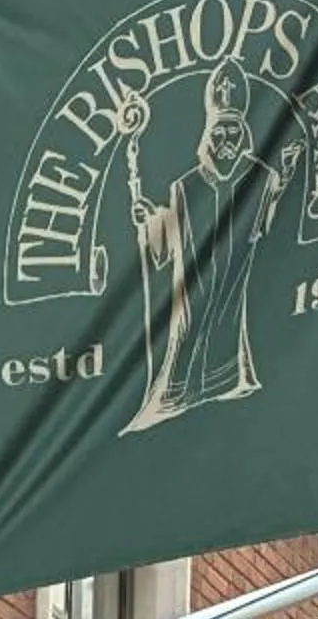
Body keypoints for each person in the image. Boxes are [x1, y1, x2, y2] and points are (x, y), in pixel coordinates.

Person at [120, 62, 301, 435]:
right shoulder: (186, 187)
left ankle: (227, 379)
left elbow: (263, 224)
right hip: (193, 292)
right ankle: (176, 394)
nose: (225, 142)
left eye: (233, 132)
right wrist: (149, 220)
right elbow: (166, 243)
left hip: (230, 298)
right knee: (185, 346)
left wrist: (284, 176)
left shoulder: (259, 177)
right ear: (208, 133)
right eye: (219, 132)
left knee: (224, 352)